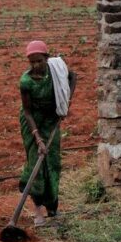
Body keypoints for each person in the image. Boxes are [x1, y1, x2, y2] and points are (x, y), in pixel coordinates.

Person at [19, 40, 77, 227]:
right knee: (36, 164)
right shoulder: (26, 81)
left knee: (52, 163)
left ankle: (52, 209)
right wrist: (37, 138)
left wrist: (66, 103)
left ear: (46, 58)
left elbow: (72, 77)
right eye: (32, 62)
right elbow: (27, 112)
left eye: (39, 61)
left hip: (51, 121)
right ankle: (38, 213)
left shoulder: (56, 71)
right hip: (33, 123)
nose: (36, 66)